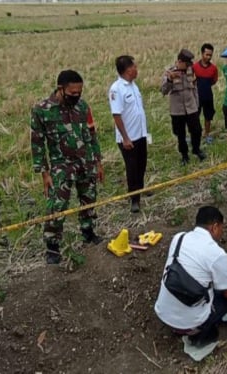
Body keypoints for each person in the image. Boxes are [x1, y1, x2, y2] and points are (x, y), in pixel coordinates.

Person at [154, 206, 227, 347]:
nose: (221, 233)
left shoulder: (178, 238)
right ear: (215, 227)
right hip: (189, 324)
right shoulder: (217, 254)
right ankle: (200, 334)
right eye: (222, 228)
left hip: (163, 314)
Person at [31, 69, 104, 264]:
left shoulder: (82, 107)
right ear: (61, 89)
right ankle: (53, 247)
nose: (77, 96)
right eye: (73, 93)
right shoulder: (42, 110)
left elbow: (91, 134)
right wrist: (44, 173)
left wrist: (97, 161)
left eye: (79, 92)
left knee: (89, 199)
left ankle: (88, 232)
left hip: (85, 162)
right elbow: (37, 144)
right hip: (60, 166)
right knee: (57, 206)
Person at [109, 55, 149, 213]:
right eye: (134, 67)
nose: (137, 69)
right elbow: (116, 115)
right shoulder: (116, 89)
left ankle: (140, 188)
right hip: (128, 138)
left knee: (141, 164)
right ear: (127, 70)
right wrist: (125, 137)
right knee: (132, 168)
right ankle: (134, 199)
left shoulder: (133, 85)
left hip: (140, 134)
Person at [161, 49, 207, 166]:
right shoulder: (169, 72)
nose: (188, 66)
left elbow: (194, 88)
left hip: (191, 108)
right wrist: (170, 80)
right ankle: (184, 155)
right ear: (180, 61)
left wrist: (196, 105)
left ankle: (196, 149)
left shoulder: (191, 71)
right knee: (180, 134)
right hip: (177, 110)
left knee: (197, 131)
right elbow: (164, 91)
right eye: (186, 63)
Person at [193, 43, 218, 145]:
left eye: (210, 55)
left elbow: (214, 81)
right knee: (195, 117)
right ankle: (195, 134)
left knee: (208, 117)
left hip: (208, 96)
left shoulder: (213, 68)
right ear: (202, 53)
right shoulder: (194, 67)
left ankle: (206, 134)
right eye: (206, 54)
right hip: (196, 97)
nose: (208, 57)